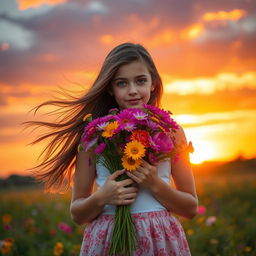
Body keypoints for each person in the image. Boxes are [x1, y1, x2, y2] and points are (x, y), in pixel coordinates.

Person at [24, 42, 198, 255]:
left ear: (153, 83)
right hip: (107, 241)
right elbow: (78, 214)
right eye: (122, 83)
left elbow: (190, 208)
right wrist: (102, 197)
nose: (133, 91)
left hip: (158, 239)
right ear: (109, 88)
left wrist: (155, 184)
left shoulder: (171, 132)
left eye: (140, 81)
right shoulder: (94, 134)